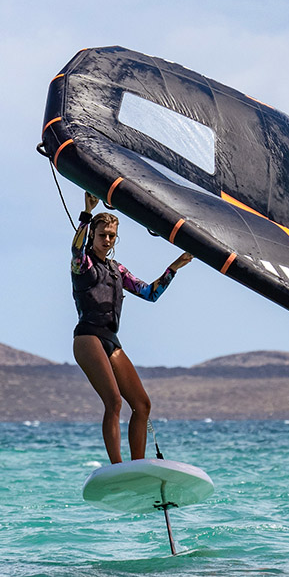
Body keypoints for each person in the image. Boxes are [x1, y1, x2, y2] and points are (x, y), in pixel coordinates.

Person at [72, 191, 192, 464]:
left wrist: (174, 267)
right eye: (102, 235)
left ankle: (137, 467)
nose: (107, 240)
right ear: (93, 235)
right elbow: (76, 249)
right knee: (114, 401)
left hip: (111, 340)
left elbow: (150, 293)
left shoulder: (118, 270)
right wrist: (86, 214)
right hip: (88, 336)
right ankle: (117, 467)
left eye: (112, 236)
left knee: (142, 404)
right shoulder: (83, 263)